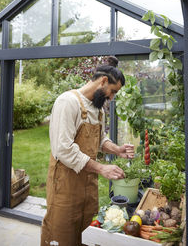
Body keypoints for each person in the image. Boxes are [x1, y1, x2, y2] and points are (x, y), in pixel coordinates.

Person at [41, 56, 134, 246]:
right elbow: (63, 149)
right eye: (112, 92)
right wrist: (101, 168)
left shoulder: (98, 109)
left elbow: (100, 140)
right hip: (65, 186)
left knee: (85, 233)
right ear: (104, 81)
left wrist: (117, 149)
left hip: (88, 185)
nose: (112, 97)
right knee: (61, 235)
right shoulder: (68, 102)